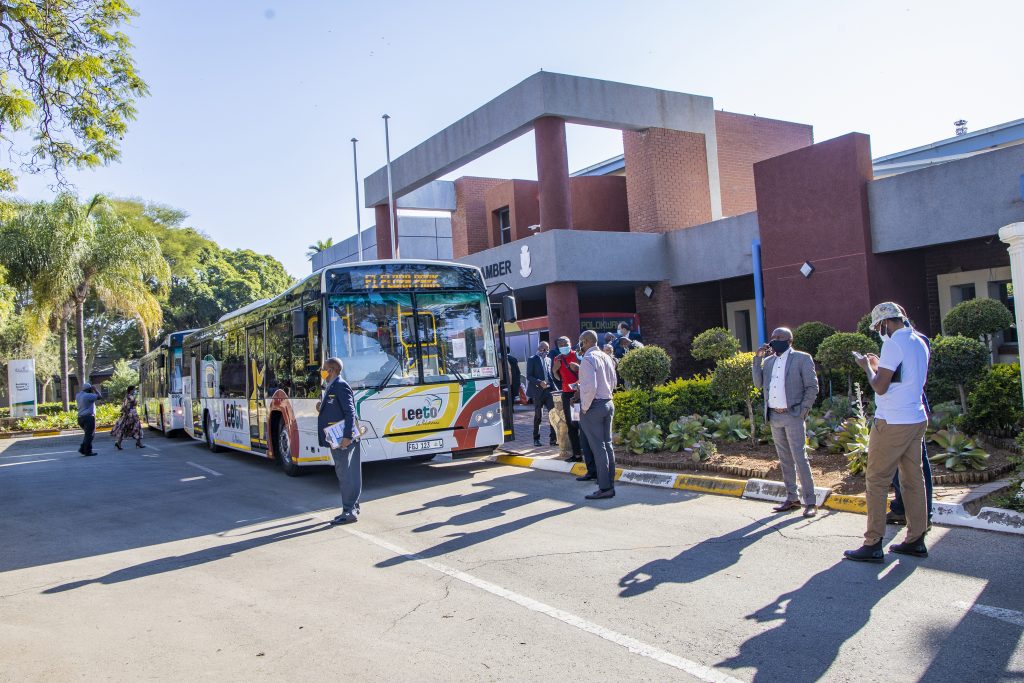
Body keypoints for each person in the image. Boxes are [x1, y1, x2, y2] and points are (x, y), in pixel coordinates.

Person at [845, 302, 931, 563]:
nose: (879, 332)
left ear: (885, 323)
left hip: (892, 422)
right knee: (913, 479)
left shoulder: (892, 343)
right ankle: (916, 539)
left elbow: (880, 387)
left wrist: (867, 367)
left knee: (877, 480)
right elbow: (903, 377)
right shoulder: (919, 341)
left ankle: (872, 543)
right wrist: (879, 365)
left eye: (878, 327)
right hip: (916, 417)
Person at [752, 327, 820, 518]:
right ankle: (792, 498)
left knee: (800, 458)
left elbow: (812, 387)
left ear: (789, 340)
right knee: (784, 459)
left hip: (793, 415)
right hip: (774, 416)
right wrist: (757, 359)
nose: (774, 340)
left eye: (779, 337)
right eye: (773, 337)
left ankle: (811, 501)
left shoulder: (802, 358)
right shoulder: (769, 361)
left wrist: (802, 411)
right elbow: (758, 384)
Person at [887, 306, 934, 527]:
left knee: (915, 466)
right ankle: (903, 508)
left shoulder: (905, 342)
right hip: (907, 406)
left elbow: (890, 380)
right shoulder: (914, 341)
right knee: (906, 465)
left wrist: (872, 369)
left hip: (906, 408)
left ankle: (920, 513)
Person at [317, 357, 362, 525]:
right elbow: (336, 407)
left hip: (342, 438)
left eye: (324, 368)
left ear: (332, 370)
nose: (322, 371)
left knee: (346, 475)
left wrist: (347, 437)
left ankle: (348, 511)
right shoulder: (332, 385)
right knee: (348, 474)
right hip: (337, 437)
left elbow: (350, 412)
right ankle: (352, 508)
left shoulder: (340, 385)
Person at [577, 330, 618, 500]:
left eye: (580, 342)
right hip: (608, 402)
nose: (579, 345)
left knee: (598, 447)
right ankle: (609, 483)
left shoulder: (587, 359)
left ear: (586, 341)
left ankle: (605, 487)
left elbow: (589, 387)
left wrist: (585, 408)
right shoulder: (606, 357)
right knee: (607, 445)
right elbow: (614, 382)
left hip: (594, 406)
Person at [551, 335, 583, 462]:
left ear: (571, 343)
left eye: (566, 343)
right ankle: (577, 454)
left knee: (580, 423)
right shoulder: (557, 358)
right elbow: (558, 378)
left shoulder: (577, 355)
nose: (564, 346)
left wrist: (577, 385)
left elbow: (585, 373)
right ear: (558, 347)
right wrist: (555, 369)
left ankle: (586, 451)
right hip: (567, 395)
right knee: (571, 424)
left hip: (579, 394)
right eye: (561, 345)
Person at [526, 341, 557, 447]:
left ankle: (553, 439)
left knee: (553, 415)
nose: (546, 350)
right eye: (544, 348)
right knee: (538, 416)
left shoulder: (549, 359)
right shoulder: (532, 359)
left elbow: (550, 375)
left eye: (547, 348)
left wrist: (555, 389)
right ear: (539, 348)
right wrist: (539, 382)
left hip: (548, 392)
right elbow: (529, 376)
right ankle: (536, 439)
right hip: (538, 392)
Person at [76, 382, 101, 457]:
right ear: (89, 389)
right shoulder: (88, 396)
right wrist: (95, 389)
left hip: (80, 418)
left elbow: (84, 391)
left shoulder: (78, 395)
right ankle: (87, 451)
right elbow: (99, 397)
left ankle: (82, 449)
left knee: (87, 435)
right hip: (88, 418)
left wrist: (90, 389)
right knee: (90, 435)